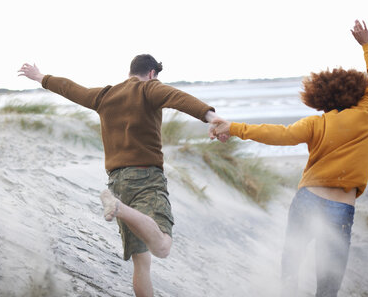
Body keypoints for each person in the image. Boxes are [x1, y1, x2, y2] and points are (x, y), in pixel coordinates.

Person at [18, 54, 219, 297]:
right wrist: (210, 116)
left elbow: (71, 89)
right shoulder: (148, 88)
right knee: (163, 247)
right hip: (146, 178)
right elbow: (177, 98)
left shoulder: (104, 95)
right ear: (152, 74)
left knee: (141, 263)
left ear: (130, 71)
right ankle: (119, 208)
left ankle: (119, 206)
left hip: (117, 184)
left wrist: (41, 77)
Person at [210, 20, 368, 297]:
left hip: (308, 199)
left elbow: (275, 134)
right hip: (341, 208)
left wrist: (232, 128)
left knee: (290, 267)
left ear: (321, 98)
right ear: (357, 93)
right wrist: (367, 45)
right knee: (328, 286)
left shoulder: (316, 123)